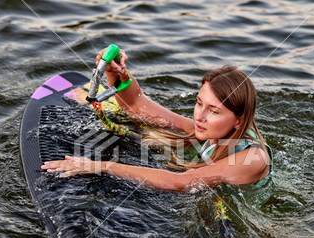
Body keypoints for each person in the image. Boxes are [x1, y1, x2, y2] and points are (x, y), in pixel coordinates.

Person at [41, 47, 272, 192]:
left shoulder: (253, 159)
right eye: (199, 102)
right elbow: (137, 106)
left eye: (213, 110)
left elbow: (181, 182)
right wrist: (117, 72)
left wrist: (102, 166)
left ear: (239, 122)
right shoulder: (209, 131)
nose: (199, 115)